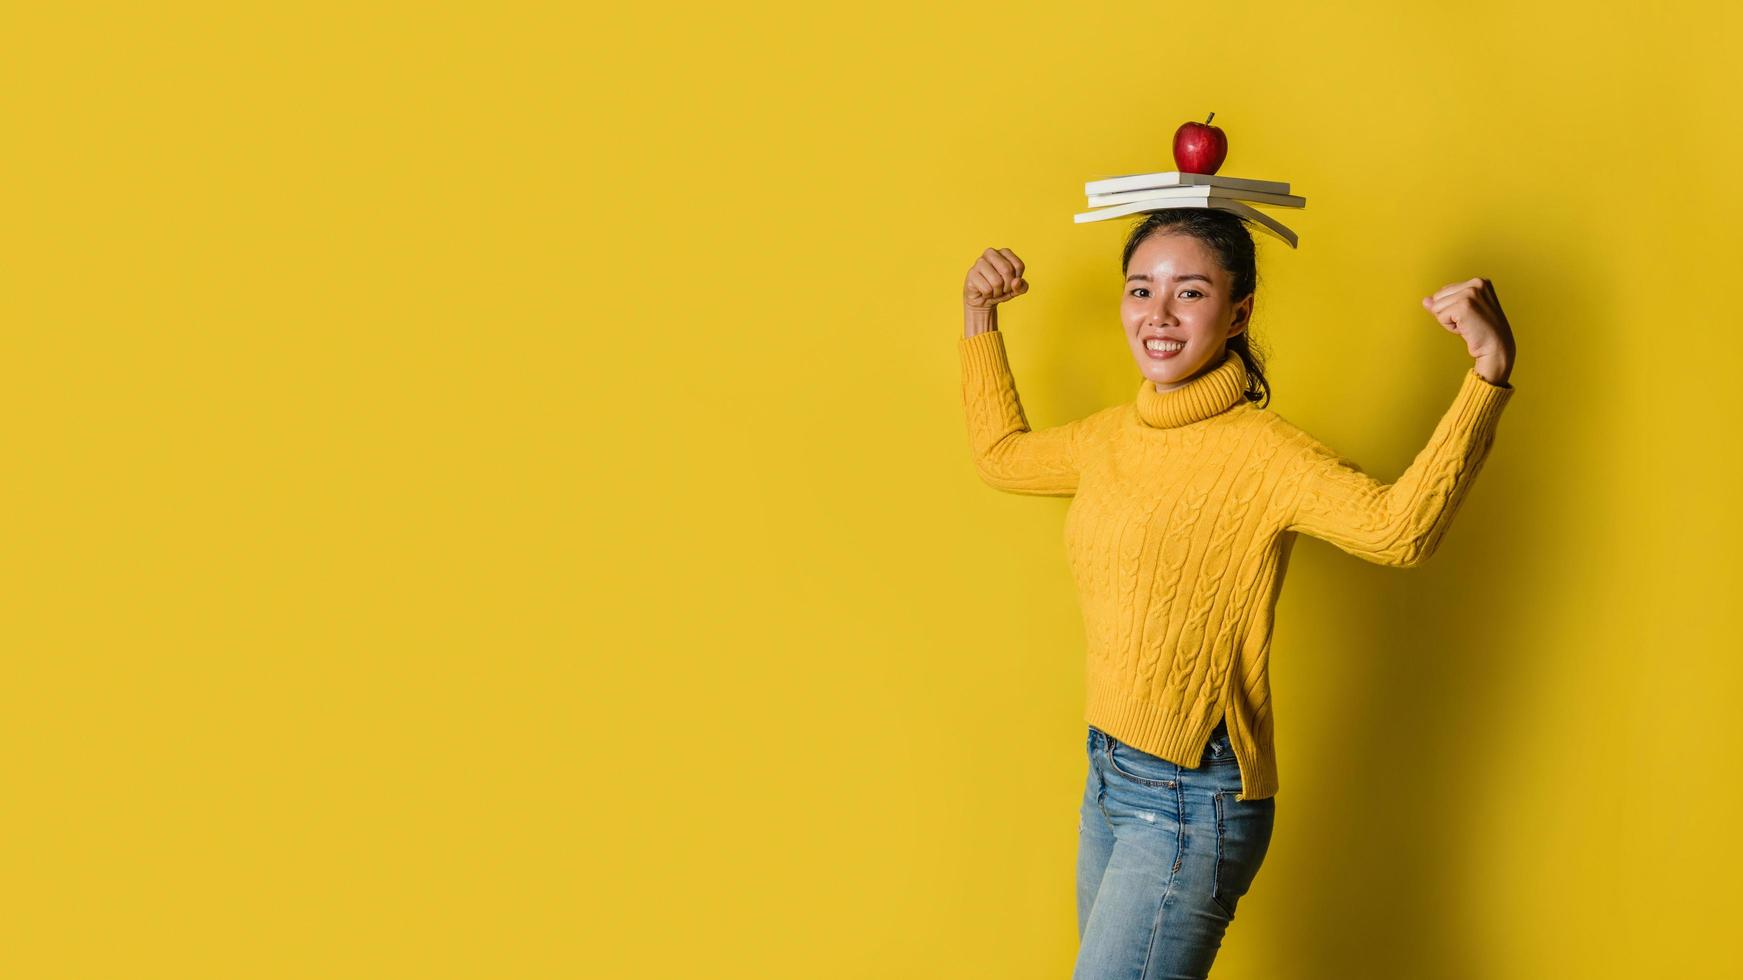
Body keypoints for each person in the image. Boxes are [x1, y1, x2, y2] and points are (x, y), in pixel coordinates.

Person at [956, 208, 1517, 980]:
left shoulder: (1266, 454)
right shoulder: (1108, 437)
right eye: (1139, 290)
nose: (1157, 315)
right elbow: (1001, 456)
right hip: (1108, 776)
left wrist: (1486, 371)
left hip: (1190, 798)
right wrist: (978, 316)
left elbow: (1399, 532)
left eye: (1189, 292)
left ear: (1237, 312)